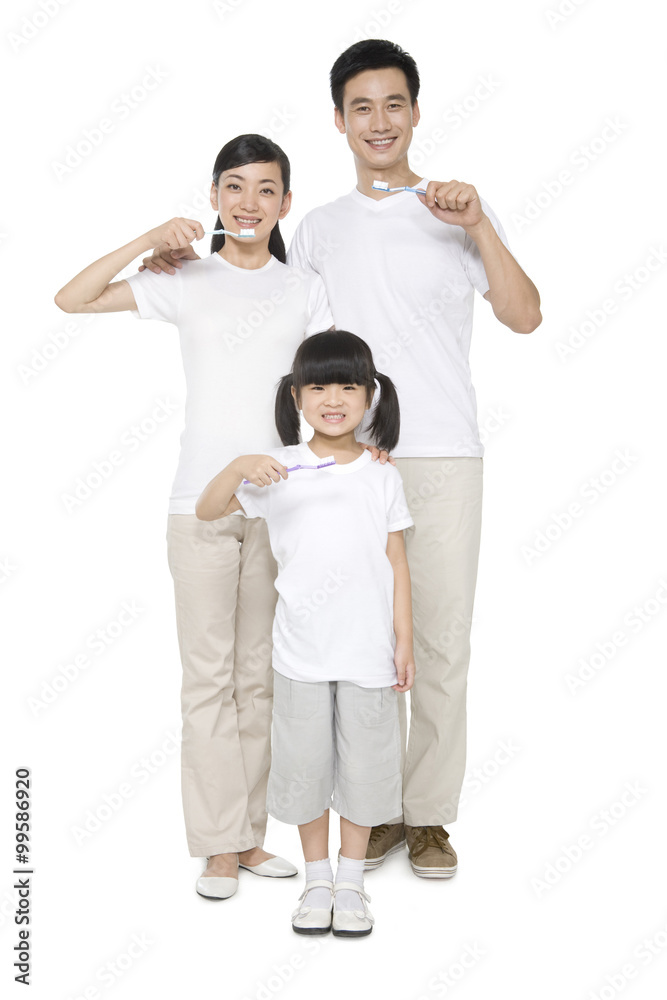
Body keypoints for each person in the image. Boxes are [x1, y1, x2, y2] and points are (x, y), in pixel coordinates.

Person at [140, 40, 542, 880]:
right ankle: (374, 811)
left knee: (437, 643)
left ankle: (425, 818)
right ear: (338, 121)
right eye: (361, 107)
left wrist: (476, 225)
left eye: (393, 104)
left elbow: (524, 315)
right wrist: (178, 262)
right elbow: (264, 316)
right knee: (348, 648)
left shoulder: (458, 208)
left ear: (415, 112)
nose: (378, 121)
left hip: (439, 453)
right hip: (335, 469)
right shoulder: (316, 228)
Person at [54, 134, 334, 900]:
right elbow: (70, 299)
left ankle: (248, 840)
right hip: (198, 505)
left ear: (285, 203)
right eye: (234, 188)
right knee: (208, 679)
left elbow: (330, 394)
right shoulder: (186, 278)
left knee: (259, 678)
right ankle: (216, 845)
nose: (249, 203)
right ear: (213, 197)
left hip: (281, 505)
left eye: (266, 190)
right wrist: (151, 239)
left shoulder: (305, 286)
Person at [196, 330, 415, 936]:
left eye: (349, 385)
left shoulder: (381, 474)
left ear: (371, 396)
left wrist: (404, 639)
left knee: (368, 772)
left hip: (370, 655)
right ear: (296, 396)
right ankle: (317, 881)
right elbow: (208, 510)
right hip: (299, 656)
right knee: (304, 770)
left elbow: (396, 561)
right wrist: (240, 465)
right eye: (318, 385)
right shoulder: (279, 469)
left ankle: (351, 883)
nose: (333, 397)